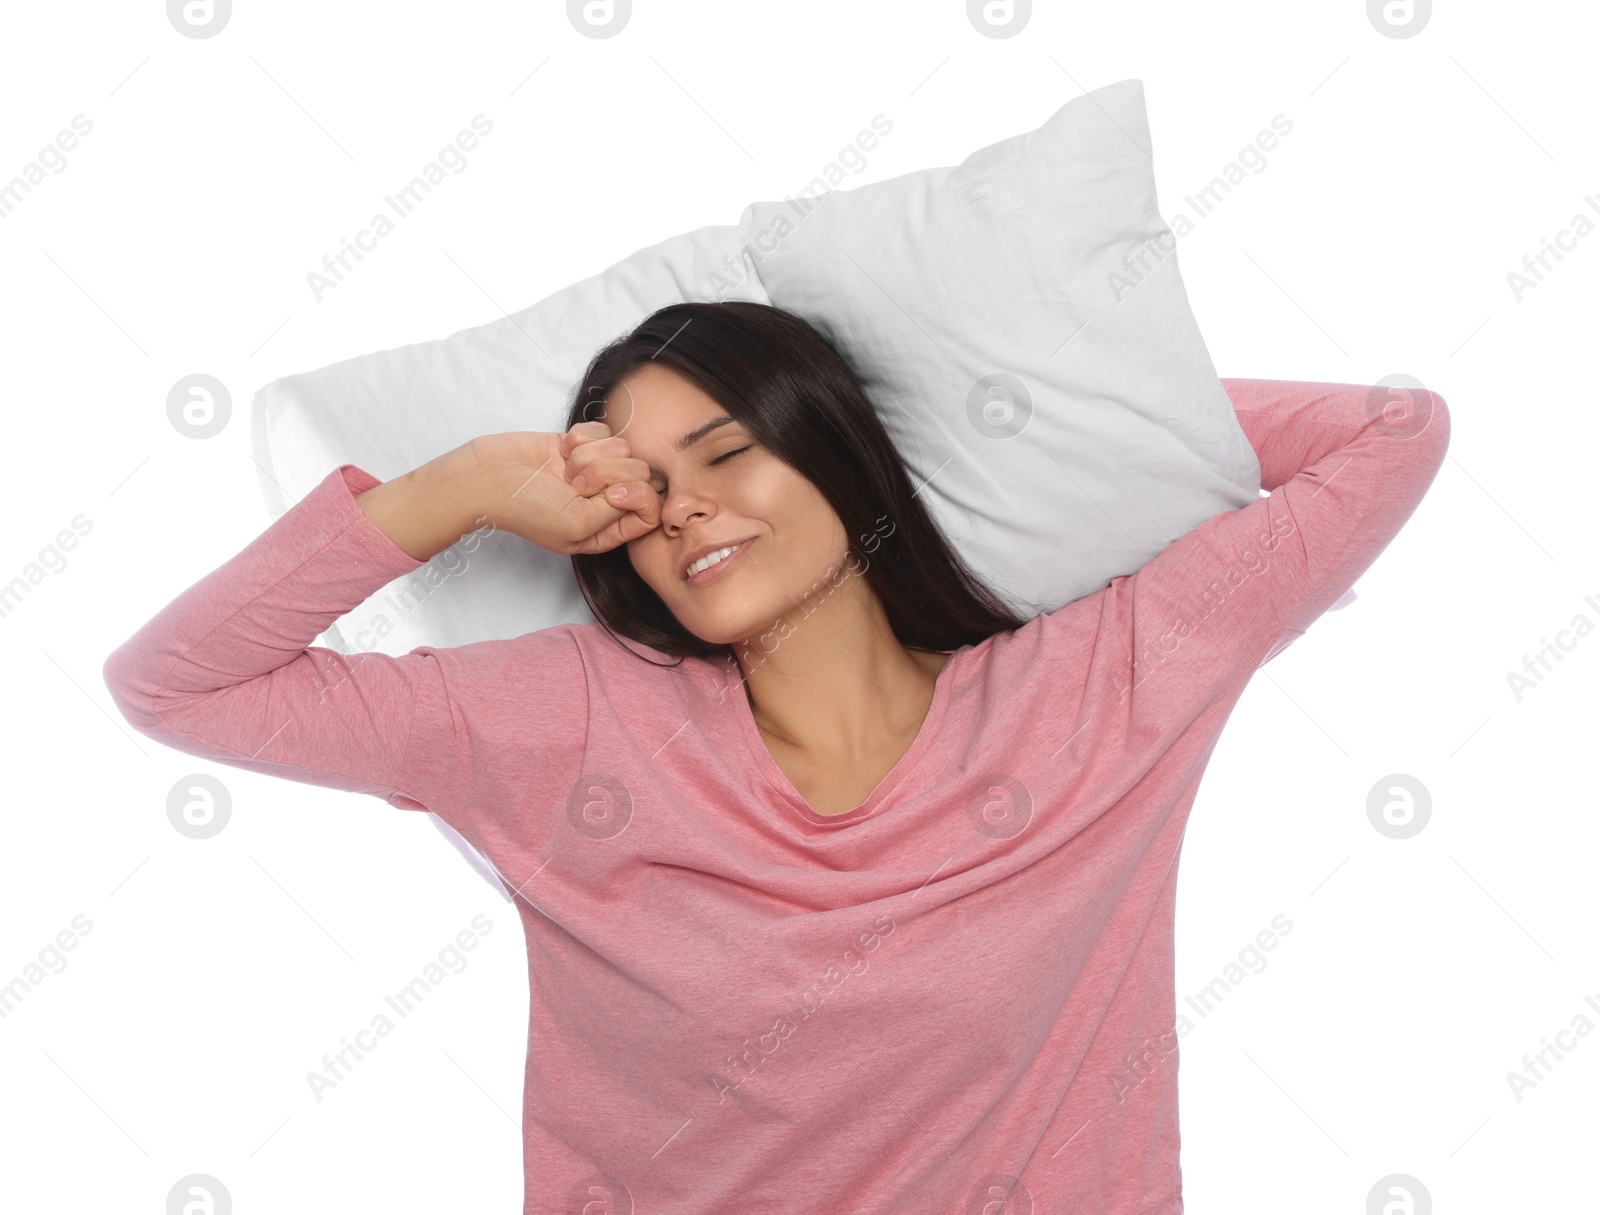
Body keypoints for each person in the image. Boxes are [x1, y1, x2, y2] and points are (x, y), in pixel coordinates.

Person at [103, 301, 1450, 1215]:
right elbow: (174, 687)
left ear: (842, 458)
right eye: (632, 487)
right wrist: (457, 485)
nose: (681, 505)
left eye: (725, 451)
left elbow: (1389, 435)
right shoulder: (568, 719)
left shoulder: (1103, 690)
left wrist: (978, 418)